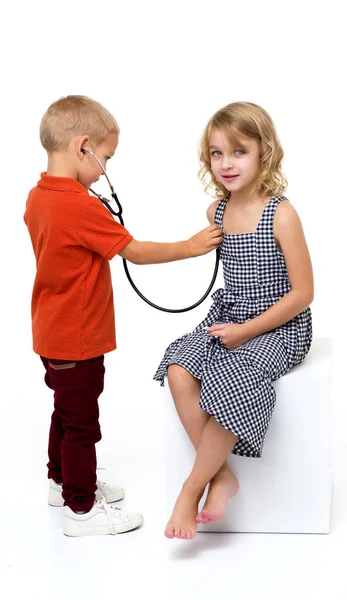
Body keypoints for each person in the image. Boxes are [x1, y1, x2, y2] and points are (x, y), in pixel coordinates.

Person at [24, 95, 222, 537]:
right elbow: (134, 251)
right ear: (83, 147)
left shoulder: (39, 196)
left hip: (50, 331)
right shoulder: (78, 205)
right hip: (77, 337)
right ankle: (80, 510)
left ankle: (61, 481)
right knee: (82, 424)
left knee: (65, 412)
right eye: (106, 158)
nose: (106, 170)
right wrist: (191, 246)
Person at [153, 101, 314, 540]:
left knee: (234, 377)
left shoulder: (281, 213)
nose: (226, 164)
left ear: (265, 151)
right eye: (216, 153)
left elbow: (303, 293)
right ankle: (223, 475)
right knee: (179, 368)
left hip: (280, 323)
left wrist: (246, 332)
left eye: (239, 151)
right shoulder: (217, 212)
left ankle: (192, 488)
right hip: (230, 314)